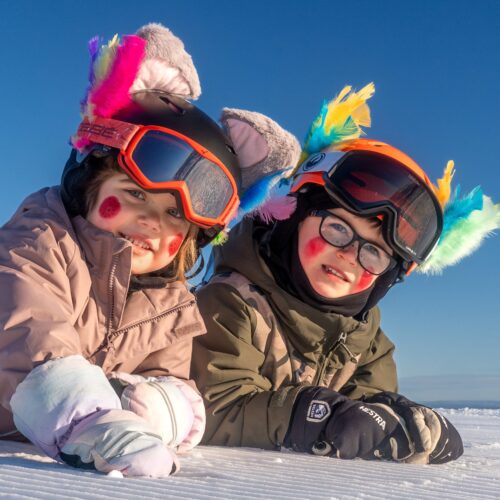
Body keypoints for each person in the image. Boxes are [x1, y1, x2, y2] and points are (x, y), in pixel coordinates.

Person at [192, 84, 499, 464]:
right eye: (337, 229)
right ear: (294, 217)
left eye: (374, 252)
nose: (351, 256)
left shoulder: (367, 342)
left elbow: (368, 416)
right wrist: (320, 417)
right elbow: (215, 408)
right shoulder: (229, 304)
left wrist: (406, 424)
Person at [0, 24, 243, 477]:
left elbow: (170, 380)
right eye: (134, 194)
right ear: (89, 187)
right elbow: (30, 343)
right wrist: (97, 424)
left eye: (175, 216)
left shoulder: (171, 306)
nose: (152, 221)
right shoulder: (38, 244)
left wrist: (153, 405)